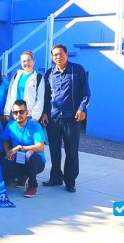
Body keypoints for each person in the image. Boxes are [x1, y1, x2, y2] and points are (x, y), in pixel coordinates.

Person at [41, 44, 91, 193]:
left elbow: (86, 93)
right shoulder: (49, 73)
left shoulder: (77, 70)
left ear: (66, 55)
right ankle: (56, 177)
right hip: (53, 118)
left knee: (71, 151)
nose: (58, 56)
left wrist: (82, 108)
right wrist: (44, 112)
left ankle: (70, 181)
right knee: (55, 151)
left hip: (71, 118)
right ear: (52, 57)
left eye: (61, 54)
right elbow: (45, 96)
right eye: (55, 54)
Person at [1, 99, 47, 198]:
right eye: (15, 112)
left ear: (27, 112)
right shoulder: (11, 125)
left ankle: (32, 186)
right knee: (4, 169)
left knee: (30, 154)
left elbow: (40, 147)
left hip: (36, 161)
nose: (18, 115)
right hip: (18, 160)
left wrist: (19, 148)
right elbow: (4, 140)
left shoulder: (35, 126)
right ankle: (22, 177)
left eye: (21, 112)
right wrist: (7, 152)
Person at [4, 51, 44, 122]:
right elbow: (9, 95)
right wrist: (7, 112)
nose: (27, 63)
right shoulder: (16, 76)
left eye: (29, 60)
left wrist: (35, 117)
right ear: (21, 63)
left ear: (33, 61)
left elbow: (40, 99)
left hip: (29, 116)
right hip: (14, 114)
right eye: (24, 61)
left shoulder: (38, 78)